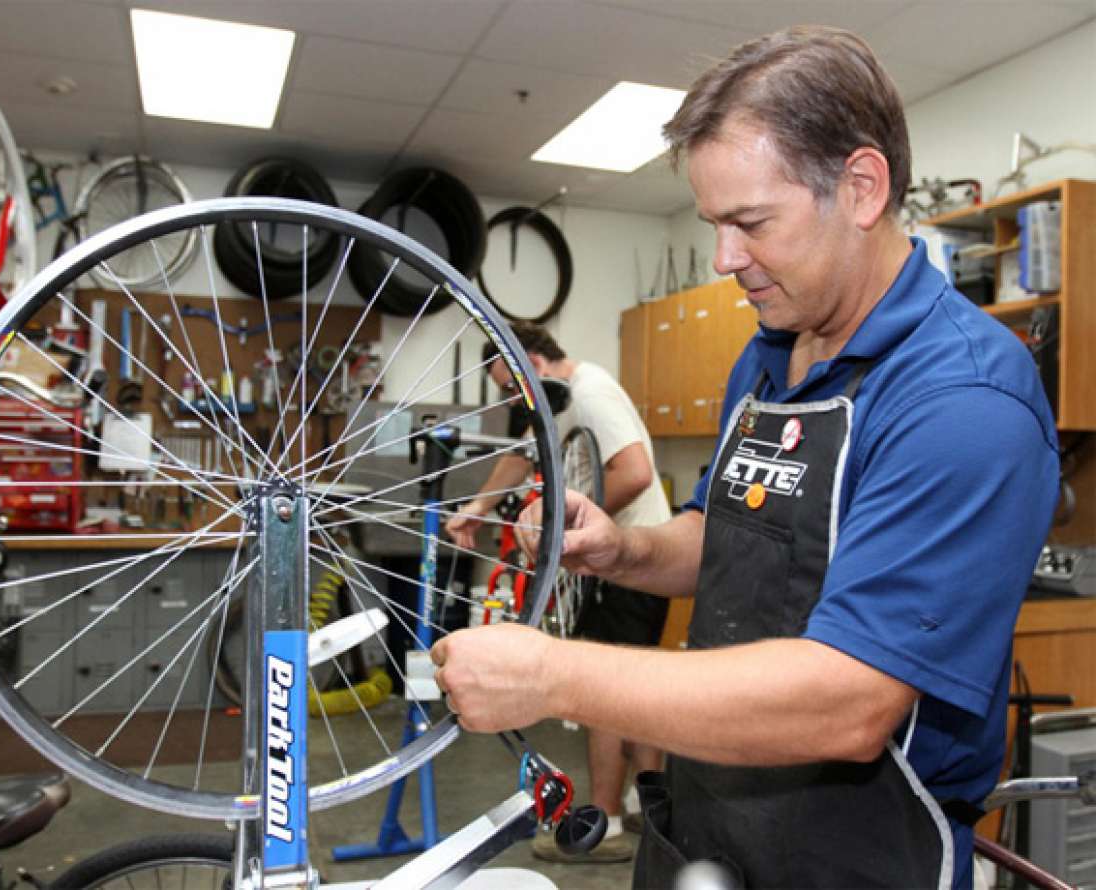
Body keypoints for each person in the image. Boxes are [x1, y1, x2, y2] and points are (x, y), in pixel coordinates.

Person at [431, 25, 1059, 890]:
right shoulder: (770, 351)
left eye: (751, 222)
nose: (727, 260)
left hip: (857, 856)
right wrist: (626, 550)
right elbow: (734, 533)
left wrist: (555, 676)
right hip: (705, 818)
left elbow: (848, 702)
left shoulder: (962, 400)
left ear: (862, 187)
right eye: (713, 225)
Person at [446, 321, 673, 863]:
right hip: (608, 559)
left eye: (510, 383)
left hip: (630, 558)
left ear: (533, 361)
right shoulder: (553, 401)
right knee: (634, 687)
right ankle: (649, 808)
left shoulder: (590, 392)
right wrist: (477, 508)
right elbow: (520, 458)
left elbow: (636, 472)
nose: (512, 396)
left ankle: (607, 825)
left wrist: (567, 526)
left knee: (603, 691)